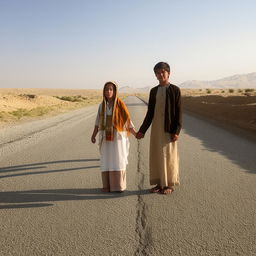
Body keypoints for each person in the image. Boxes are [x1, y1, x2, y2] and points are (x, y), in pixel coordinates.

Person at [136, 62, 182, 194]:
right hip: (156, 129)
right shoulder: (153, 91)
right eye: (157, 72)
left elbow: (179, 112)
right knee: (156, 155)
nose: (160, 74)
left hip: (169, 129)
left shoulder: (175, 90)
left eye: (163, 72)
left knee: (169, 156)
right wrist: (142, 130)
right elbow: (150, 113)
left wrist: (177, 131)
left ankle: (168, 185)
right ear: (155, 75)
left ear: (168, 73)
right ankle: (158, 183)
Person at [91, 81, 136, 192]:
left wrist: (136, 134)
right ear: (104, 91)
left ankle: (119, 186)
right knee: (106, 160)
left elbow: (127, 121)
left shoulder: (120, 105)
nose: (108, 91)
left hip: (118, 139)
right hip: (105, 138)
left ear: (115, 91)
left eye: (111, 89)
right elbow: (97, 122)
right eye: (106, 89)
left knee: (117, 160)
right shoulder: (102, 106)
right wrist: (93, 135)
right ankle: (106, 186)